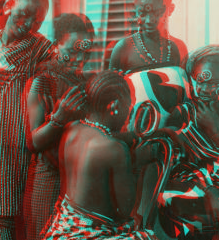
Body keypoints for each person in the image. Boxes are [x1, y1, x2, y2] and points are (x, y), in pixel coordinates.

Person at [42, 71, 158, 240]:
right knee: (148, 235)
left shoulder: (71, 128)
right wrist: (136, 162)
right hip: (89, 235)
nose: (129, 112)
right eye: (128, 105)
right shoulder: (115, 149)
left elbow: (95, 143)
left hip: (61, 231)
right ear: (114, 105)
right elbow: (124, 210)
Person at [23, 13, 95, 240]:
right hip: (47, 182)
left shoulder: (85, 85)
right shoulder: (41, 82)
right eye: (72, 51)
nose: (79, 58)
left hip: (77, 183)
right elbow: (32, 142)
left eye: (85, 51)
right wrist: (59, 118)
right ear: (55, 45)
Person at [0, 0, 55, 239]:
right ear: (8, 5)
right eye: (23, 15)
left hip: (12, 144)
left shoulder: (40, 47)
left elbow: (59, 73)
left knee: (6, 217)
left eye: (37, 21)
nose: (28, 25)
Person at [158, 45, 219, 240]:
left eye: (213, 83)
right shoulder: (183, 113)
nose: (204, 90)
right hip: (190, 184)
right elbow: (172, 162)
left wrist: (214, 129)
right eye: (199, 82)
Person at [109, 0, 188, 73]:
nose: (149, 20)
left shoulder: (178, 48)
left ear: (170, 9)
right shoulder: (124, 48)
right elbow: (110, 86)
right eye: (143, 13)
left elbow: (184, 86)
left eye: (156, 12)